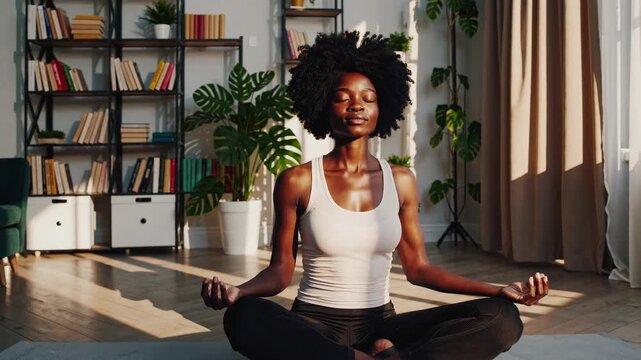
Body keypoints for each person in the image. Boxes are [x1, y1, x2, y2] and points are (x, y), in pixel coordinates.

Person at [201, 31, 548, 360]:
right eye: (342, 97)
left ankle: (376, 355)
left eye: (368, 98)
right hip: (315, 324)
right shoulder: (298, 180)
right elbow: (280, 272)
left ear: (382, 109)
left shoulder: (401, 180)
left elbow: (419, 269)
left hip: (383, 323)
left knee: (502, 318)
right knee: (242, 318)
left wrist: (497, 289)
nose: (356, 106)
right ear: (323, 104)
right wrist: (239, 292)